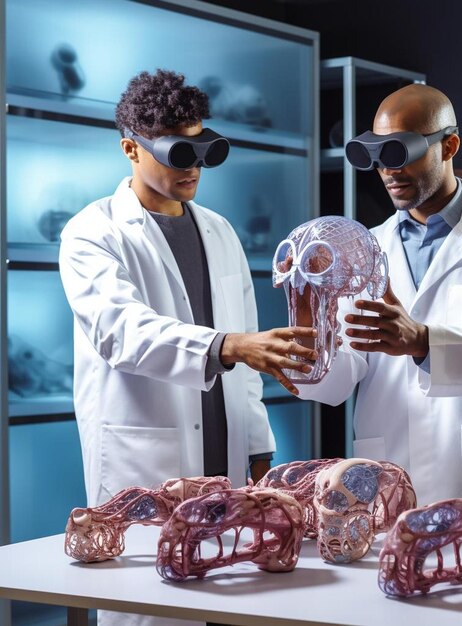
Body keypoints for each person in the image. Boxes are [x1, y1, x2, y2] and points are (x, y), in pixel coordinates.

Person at [59, 67, 316, 568]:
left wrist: (260, 447)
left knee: (231, 592)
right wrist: (230, 346)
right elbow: (119, 332)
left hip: (227, 455)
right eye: (178, 153)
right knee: (150, 605)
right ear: (131, 150)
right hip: (147, 461)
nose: (194, 167)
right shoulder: (93, 231)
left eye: (203, 150)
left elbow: (247, 355)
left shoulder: (220, 231)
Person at [295, 83, 462, 537]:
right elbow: (335, 383)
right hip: (392, 476)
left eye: (401, 151)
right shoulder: (366, 248)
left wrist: (422, 342)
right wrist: (307, 310)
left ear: (448, 145)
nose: (388, 170)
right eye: (376, 155)